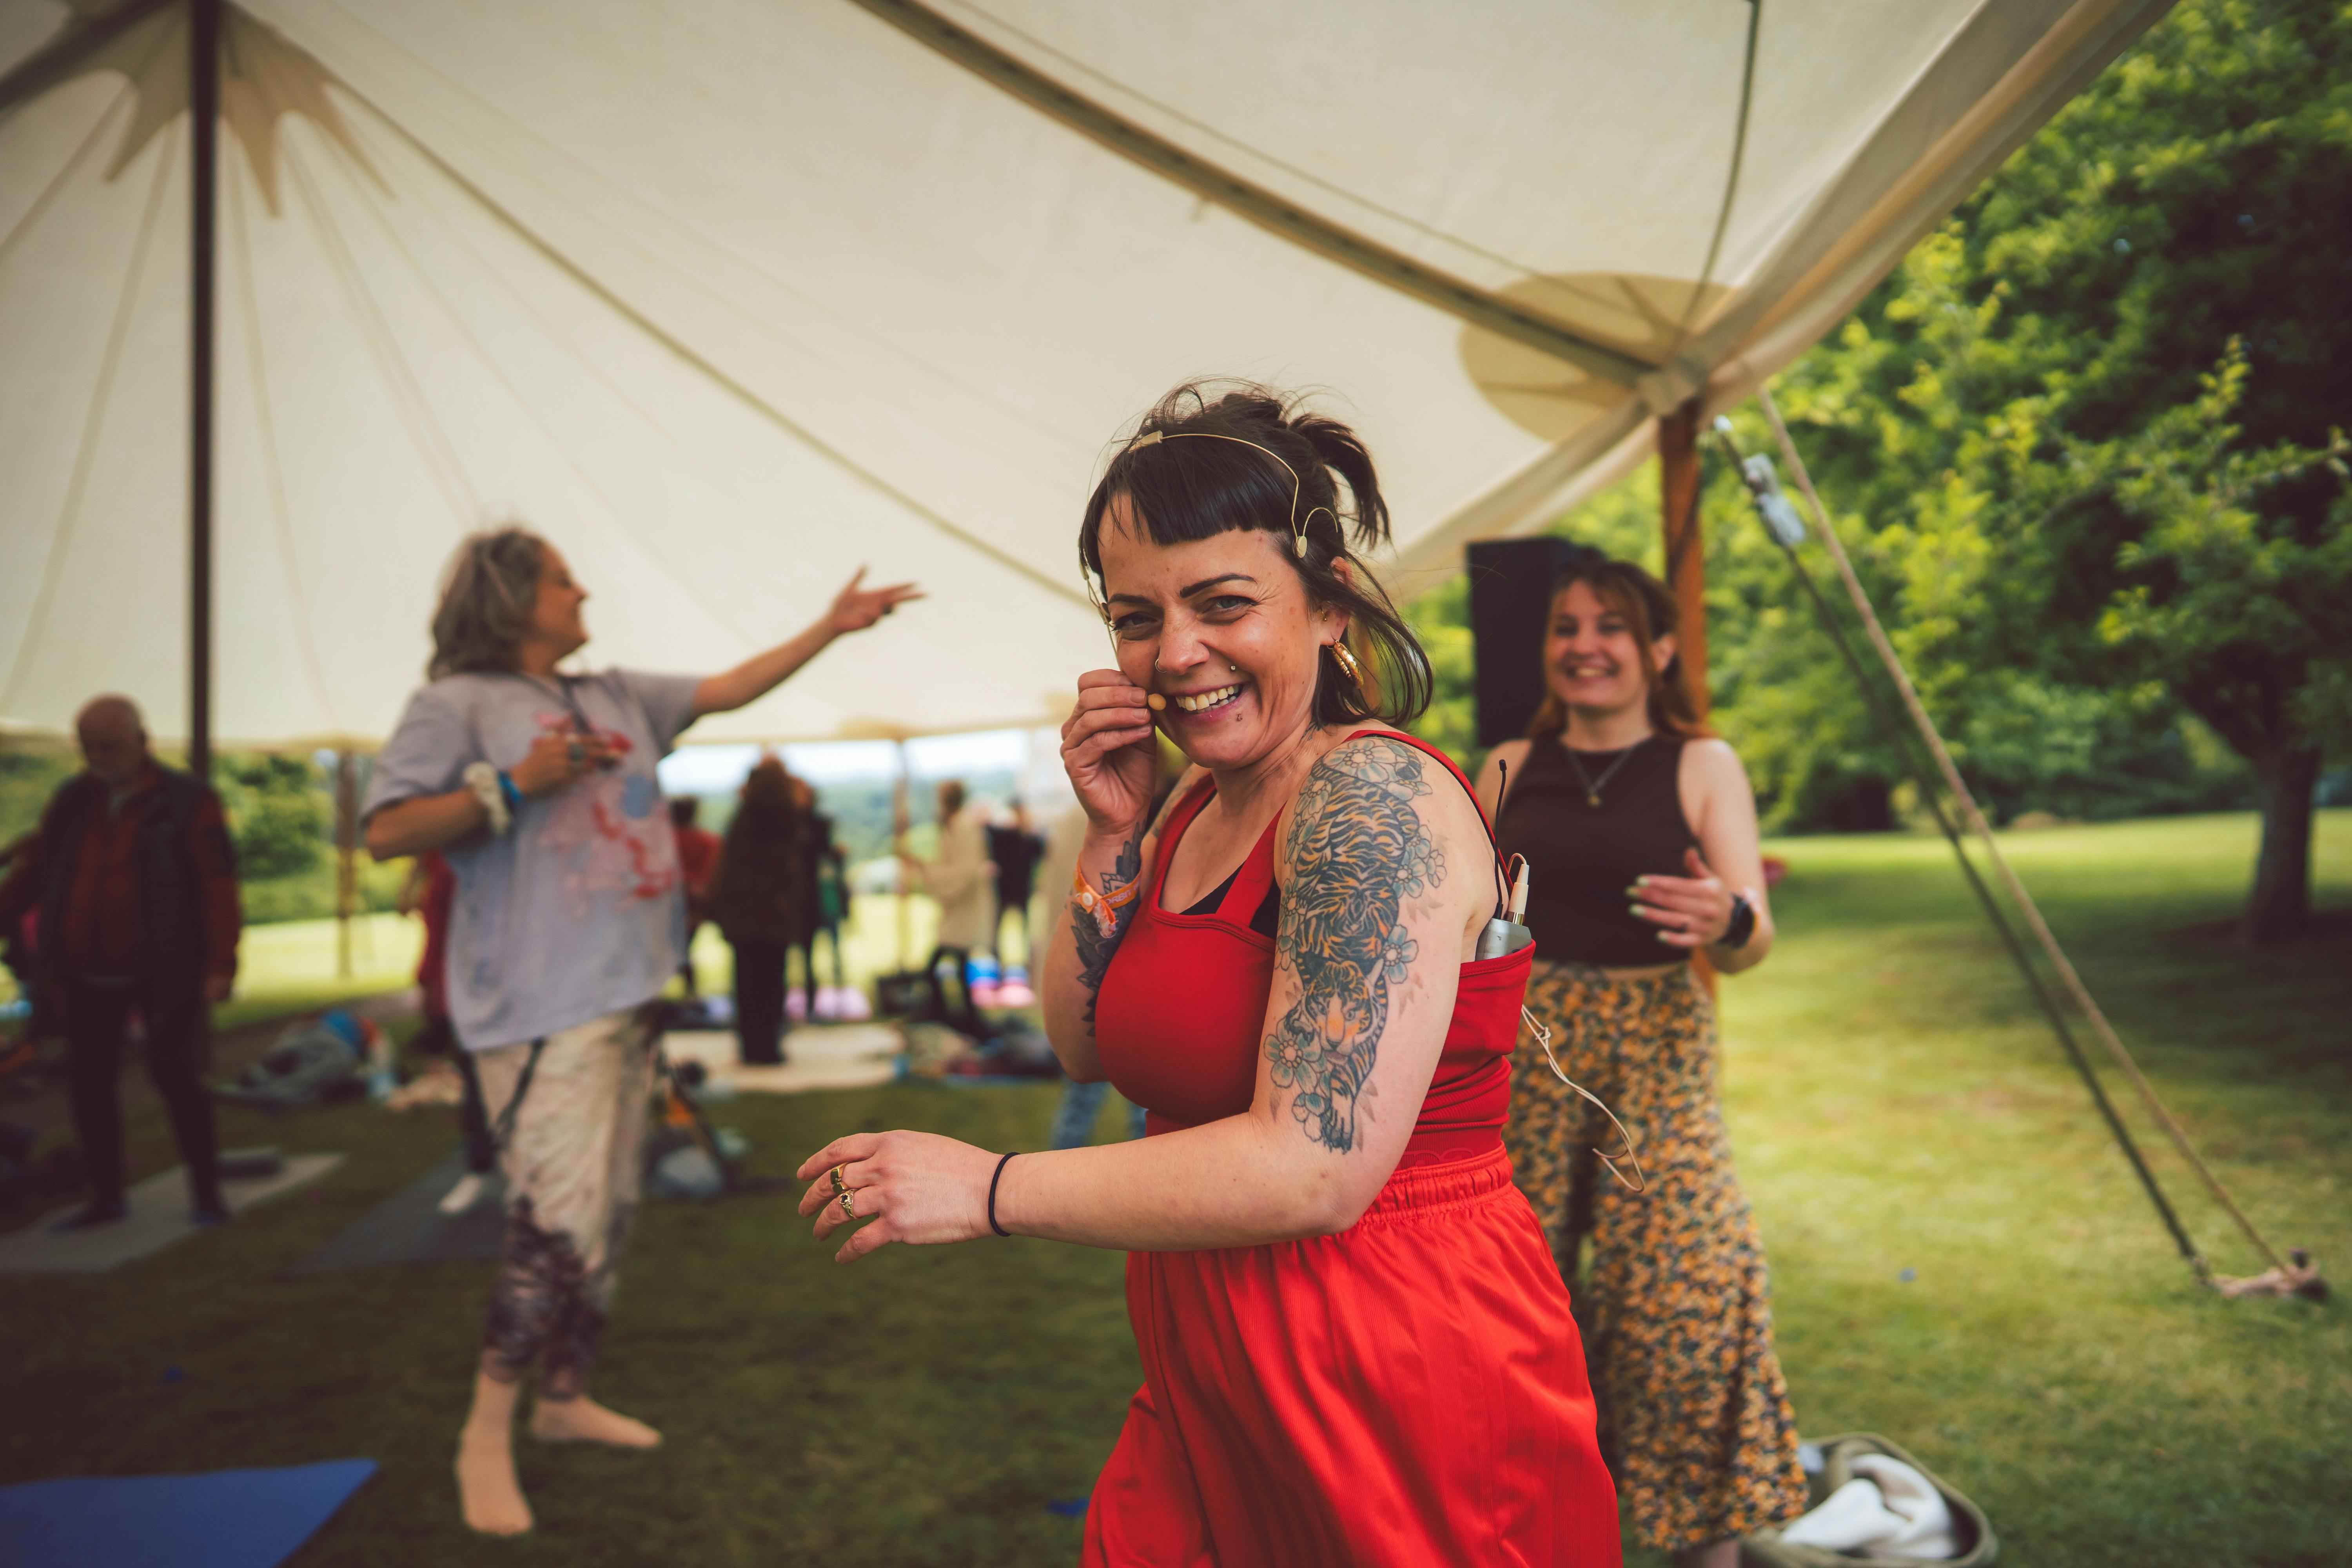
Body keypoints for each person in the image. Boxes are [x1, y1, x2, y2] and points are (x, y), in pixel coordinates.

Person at [794, 385, 1621, 1566]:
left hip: (1389, 1363)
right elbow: (1086, 1046)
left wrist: (990, 1190)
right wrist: (1108, 841)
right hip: (1211, 1359)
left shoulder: (1369, 801)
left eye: (1221, 603)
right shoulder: (1187, 798)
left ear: (1329, 608)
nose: (1173, 653)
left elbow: (1312, 1168)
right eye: (1136, 616)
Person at [361, 526, 916, 1536]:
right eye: (561, 577)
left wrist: (830, 630)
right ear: (511, 598)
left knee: (610, 1213)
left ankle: (564, 1399)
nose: (581, 589)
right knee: (558, 1222)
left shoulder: (613, 692)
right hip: (537, 1015)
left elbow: (729, 687)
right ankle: (485, 1432)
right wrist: (514, 782)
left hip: (628, 1002)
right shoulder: (455, 706)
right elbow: (386, 829)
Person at [1476, 552, 1803, 1568]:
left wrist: (1730, 915)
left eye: (1610, 627)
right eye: (1567, 628)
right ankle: (1530, 1528)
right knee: (1519, 1309)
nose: (1585, 647)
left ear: (1658, 650)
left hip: (1658, 1051)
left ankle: (1705, 1544)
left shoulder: (1704, 764)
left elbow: (1750, 942)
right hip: (1529, 1052)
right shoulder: (1504, 769)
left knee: (1682, 1287)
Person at [0, 696, 241, 1229]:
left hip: (163, 967)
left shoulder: (185, 801)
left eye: (109, 745)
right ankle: (106, 1196)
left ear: (141, 740)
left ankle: (207, 1193)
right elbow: (38, 871)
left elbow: (217, 884)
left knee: (175, 1074)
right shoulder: (73, 802)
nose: (100, 757)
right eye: (89, 747)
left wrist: (220, 963)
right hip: (87, 969)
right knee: (88, 1081)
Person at [400, 849, 495, 1214]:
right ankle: (480, 1166)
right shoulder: (450, 860)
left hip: (526, 991)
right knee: (477, 1082)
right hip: (472, 989)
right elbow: (438, 923)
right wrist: (430, 983)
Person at [705, 757, 807, 1065]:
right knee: (772, 983)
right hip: (774, 915)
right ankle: (768, 1045)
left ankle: (751, 1045)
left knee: (748, 985)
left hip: (746, 916)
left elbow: (729, 870)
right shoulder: (787, 818)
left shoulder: (744, 816)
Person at [904, 779, 992, 1031]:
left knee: (940, 966)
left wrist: (928, 871)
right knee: (956, 966)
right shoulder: (956, 825)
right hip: (959, 910)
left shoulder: (962, 826)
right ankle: (963, 1020)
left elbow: (964, 871)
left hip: (963, 909)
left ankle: (955, 1019)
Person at [789, 775, 853, 1020]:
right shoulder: (796, 824)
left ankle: (838, 998)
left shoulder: (818, 823)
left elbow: (826, 855)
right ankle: (810, 1003)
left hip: (820, 897)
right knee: (807, 954)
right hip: (804, 899)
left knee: (830, 949)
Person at [668, 798, 721, 997]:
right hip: (692, 904)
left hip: (675, 904)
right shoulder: (706, 841)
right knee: (682, 950)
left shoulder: (667, 840)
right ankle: (690, 993)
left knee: (678, 950)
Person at [985, 797, 1045, 975]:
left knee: (1024, 933)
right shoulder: (1007, 836)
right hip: (1006, 891)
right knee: (998, 934)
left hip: (1020, 890)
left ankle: (1026, 969)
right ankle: (999, 968)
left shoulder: (1030, 839)